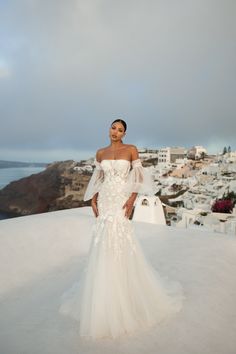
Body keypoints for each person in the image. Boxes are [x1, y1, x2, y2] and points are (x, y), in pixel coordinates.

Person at [59, 119, 183, 340]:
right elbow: (98, 179)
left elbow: (138, 178)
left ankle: (125, 292)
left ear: (124, 133)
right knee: (103, 239)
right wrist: (93, 201)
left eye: (120, 129)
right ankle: (103, 293)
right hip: (105, 198)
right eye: (112, 128)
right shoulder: (100, 153)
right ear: (108, 129)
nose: (115, 132)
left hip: (121, 198)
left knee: (120, 238)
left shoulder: (131, 150)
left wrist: (131, 200)